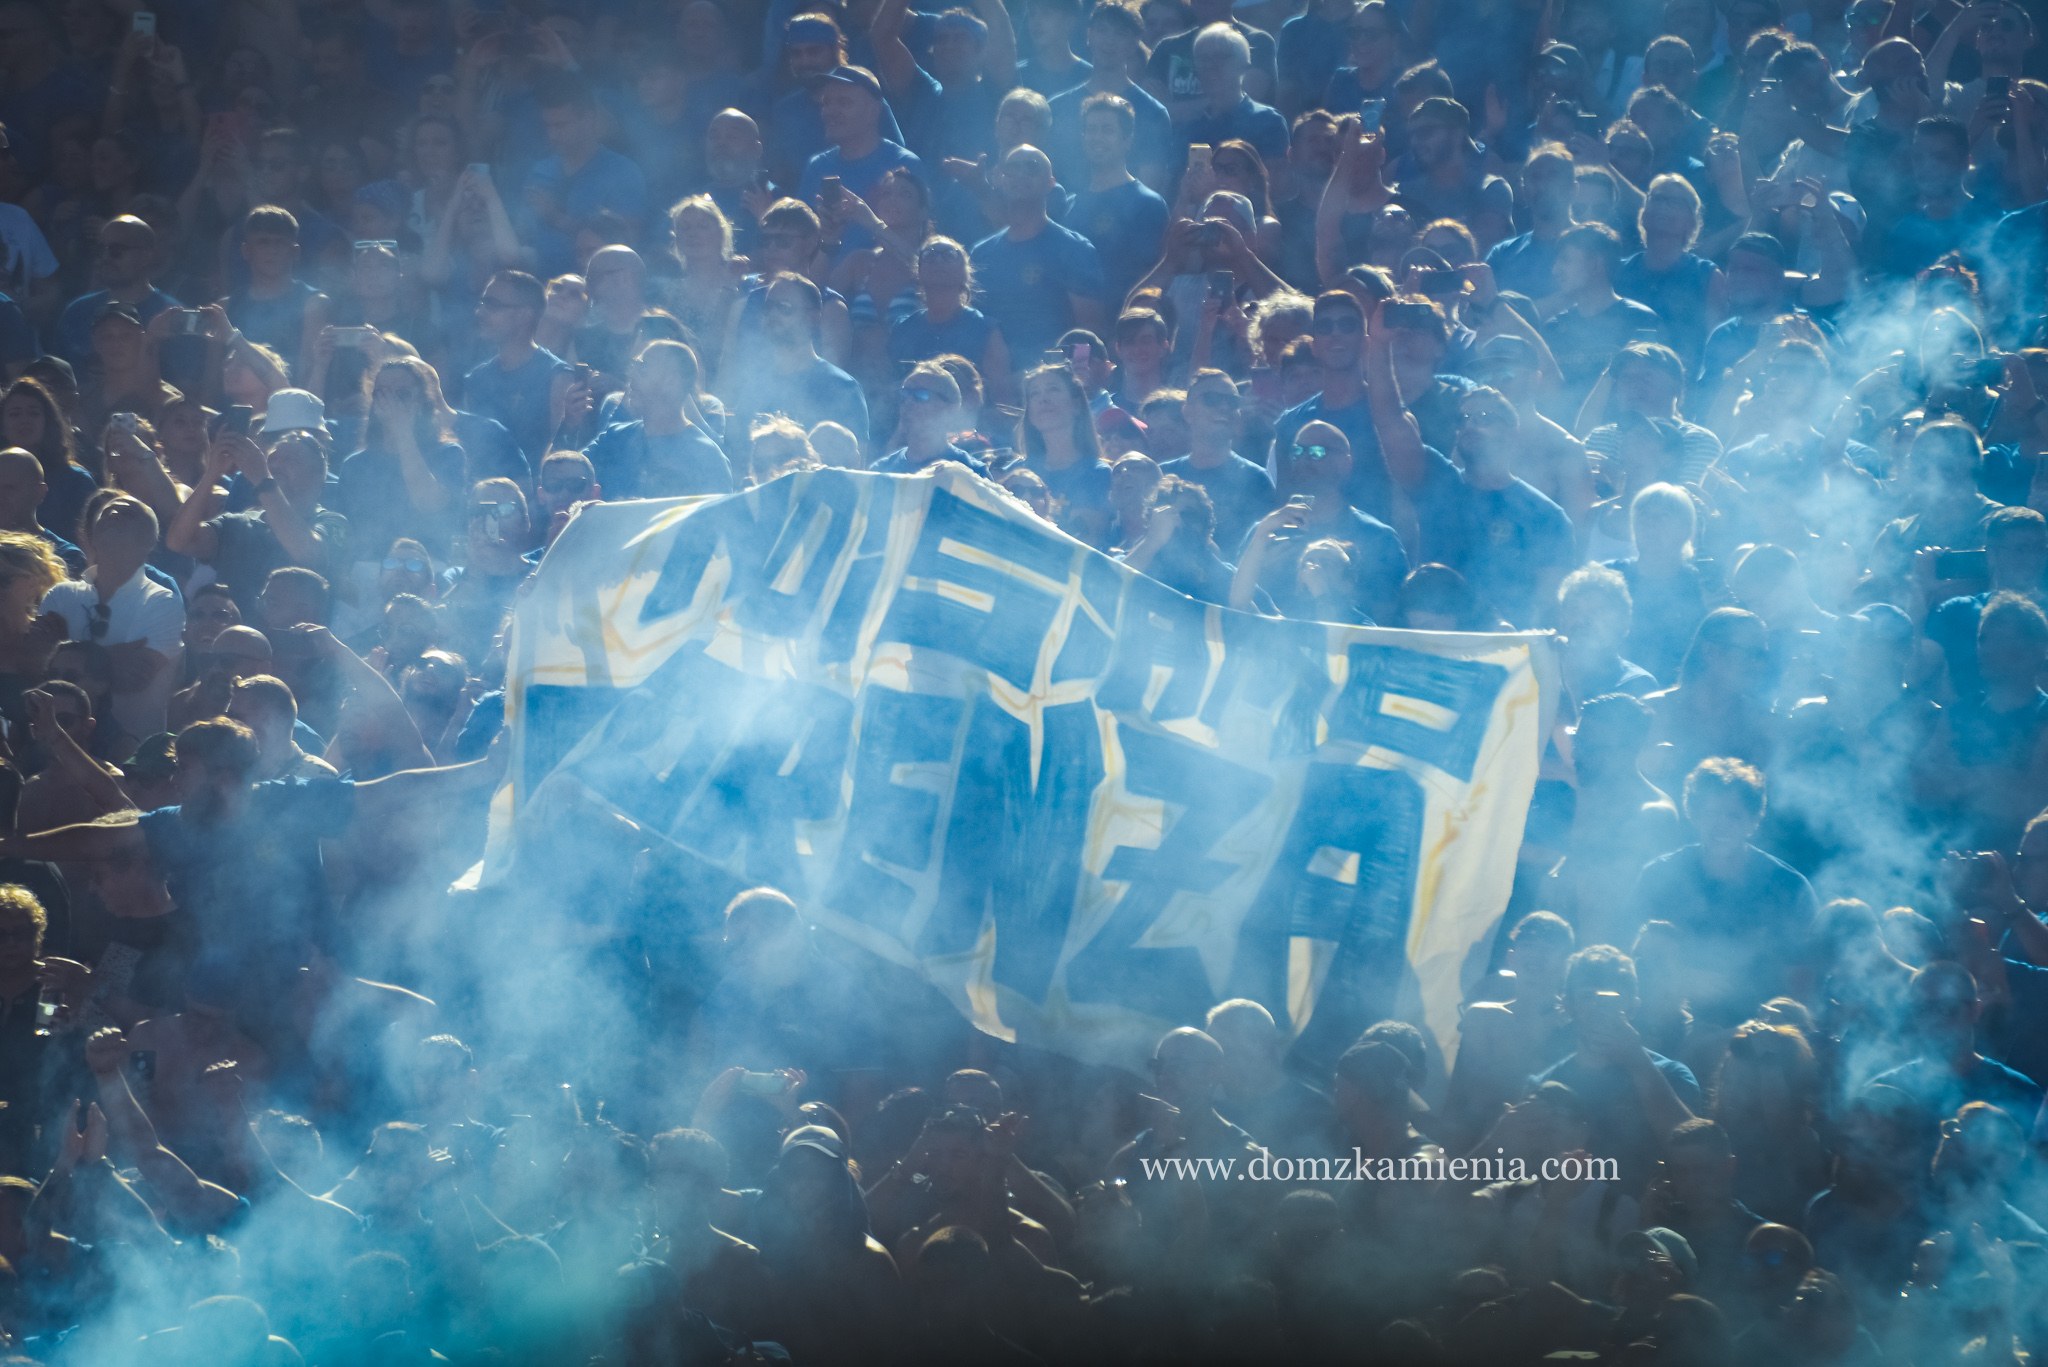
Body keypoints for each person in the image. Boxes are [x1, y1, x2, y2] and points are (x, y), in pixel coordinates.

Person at [41, 495, 184, 740]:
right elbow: (38, 667)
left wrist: (66, 651)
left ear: (149, 541)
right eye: (106, 514)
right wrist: (110, 658)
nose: (115, 513)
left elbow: (133, 680)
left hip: (130, 750)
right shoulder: (60, 595)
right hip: (54, 739)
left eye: (128, 514)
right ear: (92, 536)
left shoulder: (162, 601)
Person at [970, 145, 1107, 365]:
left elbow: (1088, 334)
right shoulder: (982, 253)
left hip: (1053, 383)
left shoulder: (1074, 249)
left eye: (1032, 168)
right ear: (999, 179)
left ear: (1050, 183)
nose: (1021, 174)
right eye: (1012, 168)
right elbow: (974, 326)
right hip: (996, 383)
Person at [581, 341, 733, 500]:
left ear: (671, 381)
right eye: (634, 366)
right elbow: (565, 474)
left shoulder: (707, 459)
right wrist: (568, 426)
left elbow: (717, 521)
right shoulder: (614, 437)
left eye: (642, 367)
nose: (630, 375)